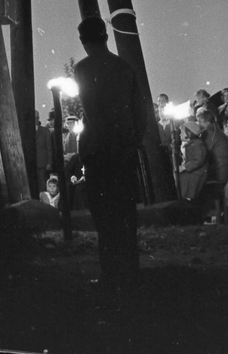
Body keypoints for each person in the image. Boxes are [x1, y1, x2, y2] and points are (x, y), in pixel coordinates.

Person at [73, 15, 149, 293]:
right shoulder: (123, 67)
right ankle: (131, 272)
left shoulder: (83, 68)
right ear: (105, 36)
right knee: (125, 215)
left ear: (84, 41)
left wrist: (100, 143)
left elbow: (93, 111)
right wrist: (131, 142)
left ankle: (110, 275)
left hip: (100, 152)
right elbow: (140, 112)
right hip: (124, 151)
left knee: (104, 218)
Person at [174, 117, 209, 201]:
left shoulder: (197, 144)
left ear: (189, 133)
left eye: (182, 132)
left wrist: (184, 167)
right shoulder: (191, 144)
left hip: (197, 174)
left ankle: (186, 199)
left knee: (180, 180)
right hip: (193, 172)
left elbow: (198, 160)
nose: (180, 134)